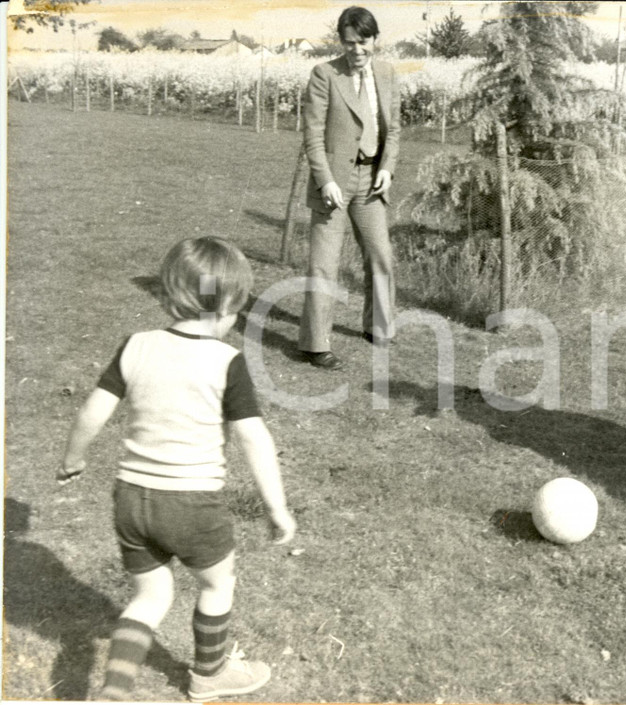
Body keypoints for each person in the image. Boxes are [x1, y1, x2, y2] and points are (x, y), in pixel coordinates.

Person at [57, 236, 297, 700]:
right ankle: (210, 675)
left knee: (150, 596)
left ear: (169, 294)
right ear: (228, 306)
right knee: (217, 582)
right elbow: (253, 437)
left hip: (130, 498)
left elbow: (93, 410)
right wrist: (277, 507)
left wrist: (74, 458)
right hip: (191, 502)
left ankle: (114, 688)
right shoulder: (227, 361)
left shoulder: (136, 346)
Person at [299, 5, 402, 368]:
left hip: (372, 182)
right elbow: (312, 136)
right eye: (349, 43)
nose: (357, 50)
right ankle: (315, 344)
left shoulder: (388, 74)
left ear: (375, 39)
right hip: (335, 185)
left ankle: (379, 327)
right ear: (341, 43)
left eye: (364, 42)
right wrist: (325, 179)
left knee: (381, 256)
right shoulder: (324, 74)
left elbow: (395, 131)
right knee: (324, 265)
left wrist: (388, 169)